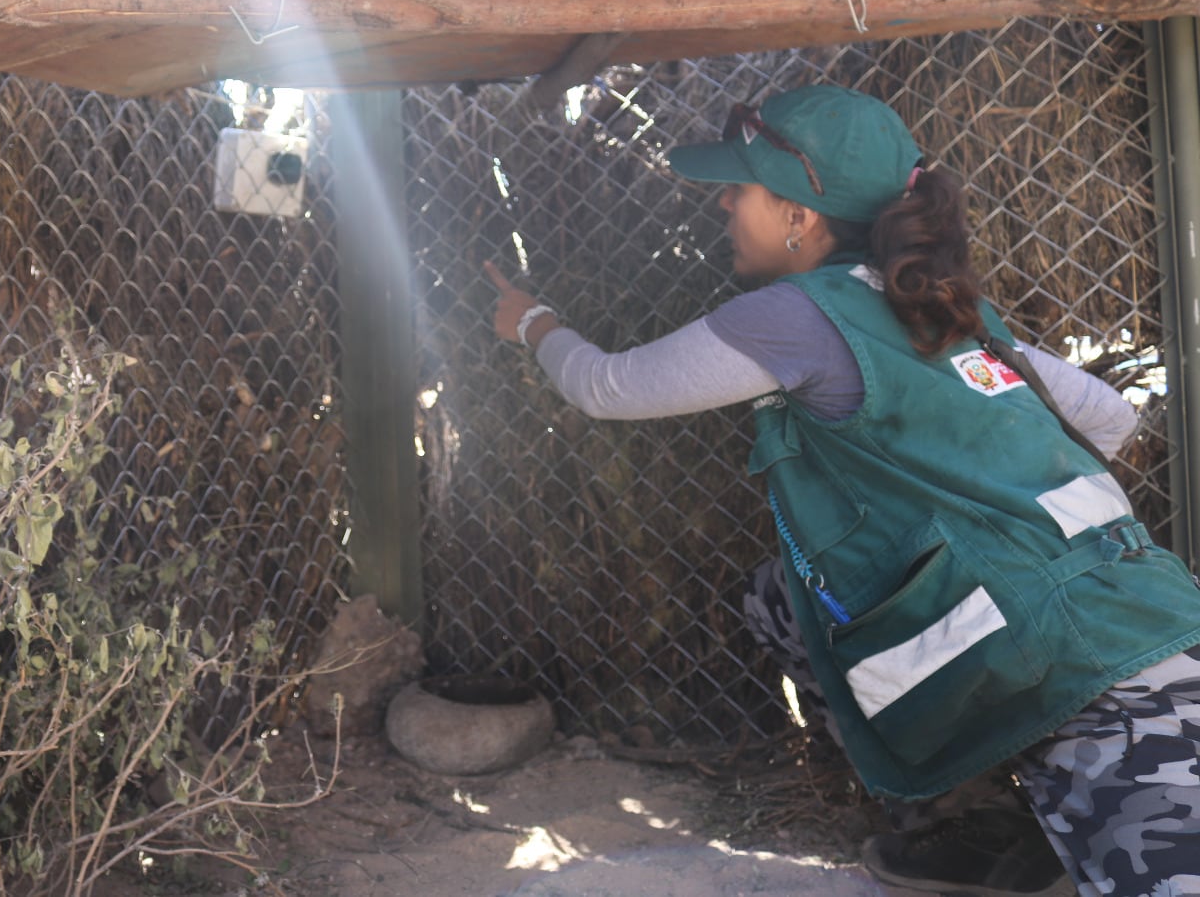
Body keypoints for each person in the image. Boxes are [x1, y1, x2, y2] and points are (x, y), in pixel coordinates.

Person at [485, 84, 1200, 897]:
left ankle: (1015, 809)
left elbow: (607, 387)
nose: (722, 202)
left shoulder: (793, 317)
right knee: (788, 602)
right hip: (1129, 605)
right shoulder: (951, 308)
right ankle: (997, 837)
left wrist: (532, 320)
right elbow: (1107, 418)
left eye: (740, 186)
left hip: (1099, 676)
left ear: (800, 213)